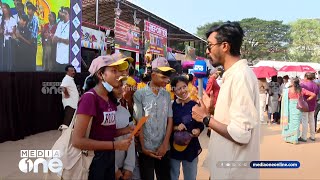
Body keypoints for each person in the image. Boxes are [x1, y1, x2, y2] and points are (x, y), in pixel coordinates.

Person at [191, 21, 260, 180]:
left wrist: (205, 119)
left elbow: (241, 134)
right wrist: (211, 111)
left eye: (209, 45)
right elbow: (231, 121)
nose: (207, 51)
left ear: (224, 46)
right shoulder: (232, 75)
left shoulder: (240, 76)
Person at [72, 54, 133, 180]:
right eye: (113, 71)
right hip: (93, 160)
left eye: (119, 71)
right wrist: (115, 145)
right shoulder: (90, 98)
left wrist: (125, 131)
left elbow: (104, 133)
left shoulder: (109, 100)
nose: (118, 75)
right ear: (100, 75)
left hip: (109, 158)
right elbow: (77, 140)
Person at [133, 57, 175, 180]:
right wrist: (143, 147)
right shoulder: (139, 94)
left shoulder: (166, 95)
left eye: (168, 77)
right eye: (163, 77)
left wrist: (165, 144)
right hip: (146, 149)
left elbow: (170, 120)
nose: (167, 81)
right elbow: (140, 122)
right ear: (153, 75)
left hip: (163, 148)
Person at [170, 76, 204, 180]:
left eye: (184, 87)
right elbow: (167, 126)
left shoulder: (195, 105)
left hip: (191, 148)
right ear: (174, 90)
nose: (183, 90)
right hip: (174, 148)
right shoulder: (172, 106)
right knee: (173, 175)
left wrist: (198, 130)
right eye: (179, 88)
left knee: (190, 177)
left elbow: (201, 124)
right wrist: (176, 127)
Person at [281, 78, 316, 144]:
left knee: (290, 122)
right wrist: (306, 100)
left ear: (292, 83)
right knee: (296, 123)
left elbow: (284, 98)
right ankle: (295, 139)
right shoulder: (301, 90)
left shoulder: (288, 90)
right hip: (298, 108)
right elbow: (313, 94)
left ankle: (290, 138)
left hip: (290, 108)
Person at [113, 79, 136, 180]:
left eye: (121, 86)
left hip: (123, 167)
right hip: (106, 167)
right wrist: (114, 169)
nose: (120, 90)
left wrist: (129, 167)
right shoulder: (100, 111)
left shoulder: (125, 112)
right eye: (116, 87)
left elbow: (130, 138)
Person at [58, 65, 79, 130]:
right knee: (68, 121)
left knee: (70, 121)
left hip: (73, 103)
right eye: (71, 71)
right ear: (67, 72)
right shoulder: (67, 78)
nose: (73, 72)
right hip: (70, 103)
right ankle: (64, 135)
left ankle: (67, 135)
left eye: (74, 70)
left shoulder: (70, 79)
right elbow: (62, 87)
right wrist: (67, 95)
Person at [300, 72, 319, 141]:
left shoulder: (303, 84)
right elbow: (316, 95)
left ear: (306, 77)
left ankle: (304, 137)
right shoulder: (316, 85)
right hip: (313, 104)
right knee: (312, 120)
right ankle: (312, 136)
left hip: (305, 104)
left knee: (305, 120)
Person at [0, 3, 17, 72]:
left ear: (8, 9)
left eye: (4, 8)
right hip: (1, 40)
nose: (3, 9)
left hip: (10, 41)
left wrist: (6, 32)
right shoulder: (0, 19)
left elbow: (13, 32)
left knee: (9, 58)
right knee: (2, 58)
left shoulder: (13, 20)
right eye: (2, 8)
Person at [26, 2, 38, 71]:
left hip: (33, 41)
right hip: (26, 40)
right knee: (27, 58)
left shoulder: (35, 19)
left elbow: (34, 31)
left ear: (33, 11)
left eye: (30, 9)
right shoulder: (26, 17)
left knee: (32, 57)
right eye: (28, 9)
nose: (28, 11)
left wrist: (30, 40)